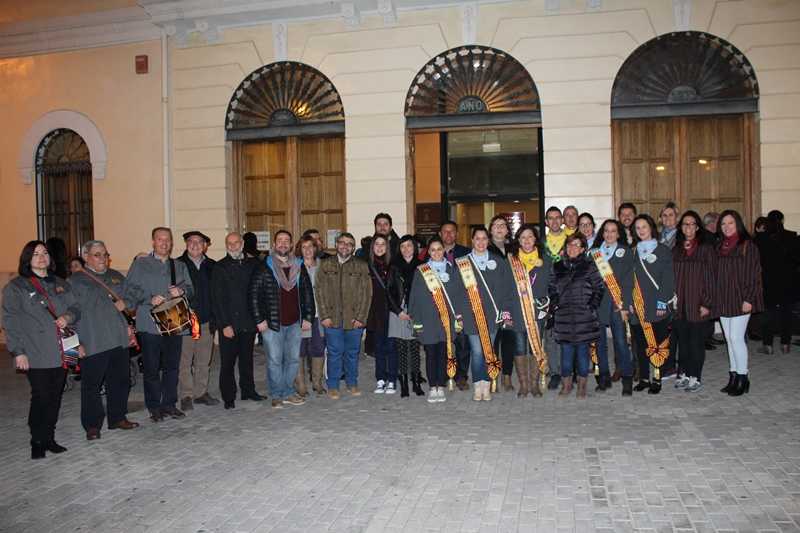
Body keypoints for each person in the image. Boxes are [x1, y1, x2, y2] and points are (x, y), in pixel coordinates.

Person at [3, 241, 80, 459]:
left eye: (44, 253)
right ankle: (37, 439)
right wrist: (18, 351)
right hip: (34, 350)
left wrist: (68, 317)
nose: (41, 257)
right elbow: (10, 321)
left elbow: (76, 307)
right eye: (36, 254)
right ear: (27, 259)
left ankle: (49, 437)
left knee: (55, 395)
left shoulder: (61, 283)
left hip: (62, 348)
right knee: (41, 395)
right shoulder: (17, 287)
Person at [69, 240, 142, 440]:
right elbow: (69, 313)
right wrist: (75, 343)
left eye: (105, 254)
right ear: (86, 257)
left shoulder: (115, 276)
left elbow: (133, 296)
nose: (102, 258)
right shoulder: (75, 281)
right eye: (97, 254)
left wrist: (126, 303)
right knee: (91, 386)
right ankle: (92, 425)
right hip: (92, 340)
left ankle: (117, 417)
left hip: (118, 338)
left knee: (120, 381)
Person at [126, 227, 194, 422]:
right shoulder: (141, 264)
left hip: (174, 321)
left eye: (167, 240)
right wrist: (149, 298)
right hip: (149, 323)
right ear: (153, 242)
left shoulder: (179, 265)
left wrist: (182, 292)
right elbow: (128, 290)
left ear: (171, 243)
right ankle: (154, 407)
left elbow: (191, 289)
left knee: (172, 366)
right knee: (152, 368)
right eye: (160, 239)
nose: (164, 243)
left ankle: (169, 404)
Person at [251, 230, 314, 408]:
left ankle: (287, 392)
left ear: (291, 245)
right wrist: (259, 320)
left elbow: (307, 292)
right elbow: (253, 294)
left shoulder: (299, 266)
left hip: (295, 322)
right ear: (274, 244)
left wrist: (308, 317)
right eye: (280, 240)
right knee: (274, 360)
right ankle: (276, 394)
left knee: (293, 360)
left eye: (287, 240)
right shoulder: (264, 267)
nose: (283, 243)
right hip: (272, 323)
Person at [453, 227, 516, 402]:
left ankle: (486, 385)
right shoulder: (463, 263)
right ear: (472, 241)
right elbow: (457, 291)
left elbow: (506, 289)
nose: (481, 242)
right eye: (477, 239)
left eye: (484, 239)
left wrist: (505, 311)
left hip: (492, 314)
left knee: (489, 351)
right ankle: (478, 385)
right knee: (476, 351)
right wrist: (459, 314)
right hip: (471, 314)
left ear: (488, 241)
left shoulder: (499, 261)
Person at [315, 232, 372, 399]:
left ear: (353, 248)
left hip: (354, 319)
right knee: (334, 353)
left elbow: (367, 294)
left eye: (349, 244)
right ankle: (333, 385)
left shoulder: (361, 266)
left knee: (352, 353)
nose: (345, 246)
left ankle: (352, 383)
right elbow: (319, 291)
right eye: (342, 242)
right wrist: (324, 316)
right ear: (336, 244)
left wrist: (361, 318)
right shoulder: (325, 265)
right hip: (332, 318)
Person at [713, 210, 764, 396]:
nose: (726, 227)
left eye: (730, 223)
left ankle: (743, 377)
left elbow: (754, 274)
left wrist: (749, 299)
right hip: (723, 298)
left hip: (741, 298)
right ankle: (733, 376)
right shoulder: (719, 246)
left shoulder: (747, 245)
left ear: (738, 224)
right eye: (723, 224)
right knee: (729, 339)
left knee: (736, 338)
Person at [548, 233, 604, 398]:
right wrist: (556, 301)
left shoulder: (589, 266)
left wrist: (591, 306)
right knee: (566, 354)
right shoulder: (557, 266)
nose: (572, 248)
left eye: (577, 245)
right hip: (563, 316)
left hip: (584, 317)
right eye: (570, 245)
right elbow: (551, 287)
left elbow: (599, 288)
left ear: (583, 249)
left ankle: (581, 386)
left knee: (582, 354)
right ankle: (566, 385)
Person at [409, 236, 464, 403]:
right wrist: (416, 321)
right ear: (428, 252)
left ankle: (441, 385)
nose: (436, 252)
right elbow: (414, 297)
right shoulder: (421, 271)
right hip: (428, 319)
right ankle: (433, 387)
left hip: (446, 319)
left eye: (439, 249)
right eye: (432, 250)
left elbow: (458, 296)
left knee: (443, 353)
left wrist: (459, 317)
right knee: (431, 354)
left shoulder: (452, 270)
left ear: (444, 250)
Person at [211, 232, 263, 409]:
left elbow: (258, 293)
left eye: (236, 243)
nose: (233, 246)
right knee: (227, 363)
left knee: (247, 360)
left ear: (242, 244)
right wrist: (224, 324)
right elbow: (217, 299)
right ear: (226, 246)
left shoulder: (253, 265)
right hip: (229, 324)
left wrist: (258, 319)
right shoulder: (220, 267)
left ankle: (248, 390)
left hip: (248, 322)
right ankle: (229, 397)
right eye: (229, 243)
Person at [625, 214, 674, 395]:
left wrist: (663, 302)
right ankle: (644, 378)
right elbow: (628, 280)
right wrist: (629, 302)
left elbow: (668, 279)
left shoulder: (663, 250)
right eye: (637, 228)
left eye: (644, 226)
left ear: (651, 227)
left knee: (657, 344)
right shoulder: (632, 252)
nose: (641, 231)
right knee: (641, 344)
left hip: (656, 304)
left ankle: (657, 378)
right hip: (637, 306)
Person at [589, 220, 635, 395]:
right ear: (602, 233)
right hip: (598, 303)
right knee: (599, 342)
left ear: (618, 233)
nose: (609, 234)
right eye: (606, 231)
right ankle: (604, 378)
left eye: (613, 231)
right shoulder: (593, 253)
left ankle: (627, 378)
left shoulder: (625, 252)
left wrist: (625, 305)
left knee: (621, 342)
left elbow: (629, 281)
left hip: (617, 303)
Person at [507, 223, 552, 397]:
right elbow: (505, 289)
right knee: (519, 347)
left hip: (537, 312)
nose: (527, 240)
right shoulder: (511, 261)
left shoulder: (545, 260)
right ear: (518, 240)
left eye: (530, 237)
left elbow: (551, 286)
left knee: (535, 347)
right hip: (517, 311)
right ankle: (524, 385)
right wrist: (507, 311)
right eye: (523, 237)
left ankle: (534, 385)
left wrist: (547, 305)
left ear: (535, 240)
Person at [672, 211, 715, 393]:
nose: (688, 227)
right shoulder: (676, 249)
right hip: (679, 305)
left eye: (691, 224)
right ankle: (683, 373)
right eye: (685, 224)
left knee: (696, 343)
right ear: (681, 227)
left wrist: (707, 303)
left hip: (697, 303)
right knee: (682, 342)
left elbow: (712, 278)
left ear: (697, 227)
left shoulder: (706, 249)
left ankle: (695, 376)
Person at [177, 231, 219, 411]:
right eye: (191, 241)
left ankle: (200, 393)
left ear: (205, 246)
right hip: (186, 321)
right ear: (186, 244)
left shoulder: (212, 266)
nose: (195, 245)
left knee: (203, 360)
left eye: (199, 242)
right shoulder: (177, 265)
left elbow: (217, 293)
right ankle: (186, 395)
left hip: (206, 321)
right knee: (184, 361)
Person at [756, 210, 799, 355]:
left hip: (769, 281)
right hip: (789, 281)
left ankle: (768, 345)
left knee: (768, 313)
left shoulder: (764, 238)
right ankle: (785, 344)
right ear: (783, 220)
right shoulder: (792, 236)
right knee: (787, 313)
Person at [389, 234, 424, 397]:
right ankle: (403, 383)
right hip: (398, 310)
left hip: (416, 310)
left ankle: (416, 382)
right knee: (401, 348)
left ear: (414, 248)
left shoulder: (422, 265)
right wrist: (398, 311)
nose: (406, 249)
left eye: (409, 245)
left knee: (415, 348)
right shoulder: (394, 266)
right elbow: (389, 291)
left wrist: (417, 310)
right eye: (403, 246)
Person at [438, 220, 471, 389]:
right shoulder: (433, 253)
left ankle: (461, 376)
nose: (448, 234)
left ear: (456, 234)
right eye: (445, 231)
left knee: (462, 342)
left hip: (461, 305)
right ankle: (445, 373)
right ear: (440, 234)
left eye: (452, 231)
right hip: (440, 304)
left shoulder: (467, 253)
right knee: (443, 341)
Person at [367, 234, 400, 394]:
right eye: (377, 244)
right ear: (372, 247)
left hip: (391, 312)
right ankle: (380, 379)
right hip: (375, 313)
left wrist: (398, 310)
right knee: (379, 348)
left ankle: (392, 379)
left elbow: (397, 291)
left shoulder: (393, 266)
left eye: (383, 244)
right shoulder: (367, 267)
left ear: (387, 247)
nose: (380, 247)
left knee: (391, 347)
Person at [487, 214, 516, 391]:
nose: (499, 228)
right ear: (490, 230)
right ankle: (493, 377)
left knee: (509, 340)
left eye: (502, 225)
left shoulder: (515, 249)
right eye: (495, 225)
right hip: (492, 303)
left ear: (507, 230)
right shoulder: (485, 249)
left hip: (511, 302)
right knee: (493, 341)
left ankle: (507, 376)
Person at [296, 235, 326, 396]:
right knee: (300, 349)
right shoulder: (295, 267)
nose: (307, 250)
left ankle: (317, 383)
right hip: (301, 316)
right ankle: (300, 385)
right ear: (300, 250)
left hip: (319, 315)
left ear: (315, 248)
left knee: (318, 348)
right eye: (304, 247)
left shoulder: (323, 266)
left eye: (310, 246)